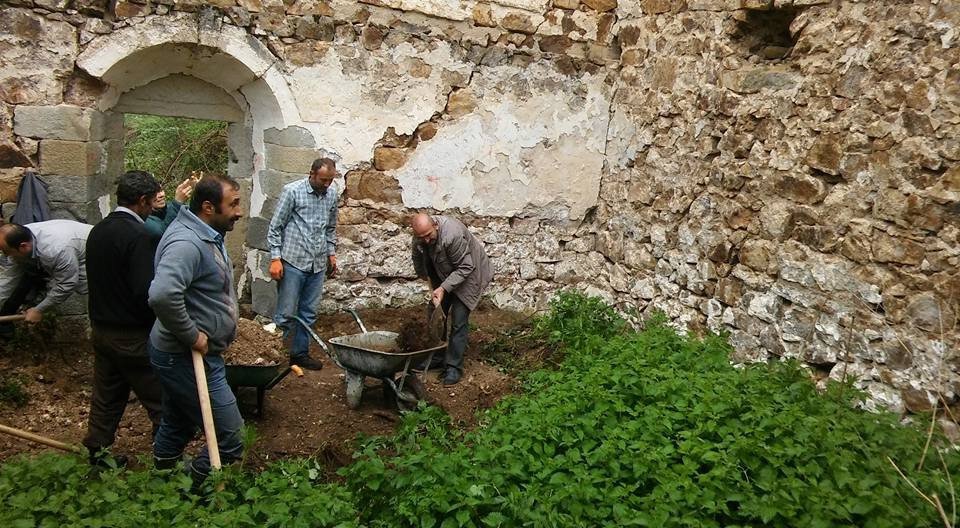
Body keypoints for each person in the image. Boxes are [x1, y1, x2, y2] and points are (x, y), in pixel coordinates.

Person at [148, 174, 244, 482]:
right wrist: (193, 335)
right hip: (184, 354)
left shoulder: (205, 232)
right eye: (234, 204)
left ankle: (162, 480)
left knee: (177, 421)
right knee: (231, 437)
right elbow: (162, 294)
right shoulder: (186, 243)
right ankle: (196, 486)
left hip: (193, 354)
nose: (239, 212)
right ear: (207, 207)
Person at [83, 170, 164, 468]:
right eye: (151, 202)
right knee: (161, 400)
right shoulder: (139, 235)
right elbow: (146, 292)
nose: (154, 208)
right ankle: (166, 462)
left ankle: (97, 455)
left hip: (102, 330)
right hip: (131, 335)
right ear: (141, 201)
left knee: (107, 397)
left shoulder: (99, 230)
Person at [266, 158, 339, 370]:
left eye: (330, 180)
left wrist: (331, 254)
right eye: (323, 180)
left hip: (317, 263)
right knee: (286, 314)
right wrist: (275, 258)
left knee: (309, 312)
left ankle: (299, 354)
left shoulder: (331, 194)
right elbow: (275, 226)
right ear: (312, 174)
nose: (327, 184)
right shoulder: (292, 191)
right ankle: (272, 354)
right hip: (293, 260)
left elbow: (330, 227)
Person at [410, 213, 493, 385]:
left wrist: (443, 287)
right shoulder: (420, 236)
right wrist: (424, 275)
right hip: (445, 270)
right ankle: (438, 356)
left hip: (470, 273)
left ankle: (454, 366)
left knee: (459, 319)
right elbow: (417, 257)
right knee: (435, 312)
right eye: (421, 237)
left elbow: (466, 266)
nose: (425, 240)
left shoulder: (452, 235)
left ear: (436, 226)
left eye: (428, 235)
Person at [0, 219, 93, 333]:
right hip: (72, 249)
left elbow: (66, 285)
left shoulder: (55, 250)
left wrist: (39, 310)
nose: (5, 255)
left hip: (99, 252)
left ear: (23, 247)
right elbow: (9, 278)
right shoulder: (19, 237)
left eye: (5, 251)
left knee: (91, 289)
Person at [144, 176, 197, 241]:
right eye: (155, 193)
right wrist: (178, 202)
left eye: (161, 190)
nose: (161, 195)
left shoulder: (169, 207)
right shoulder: (144, 219)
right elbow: (163, 234)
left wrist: (197, 192)